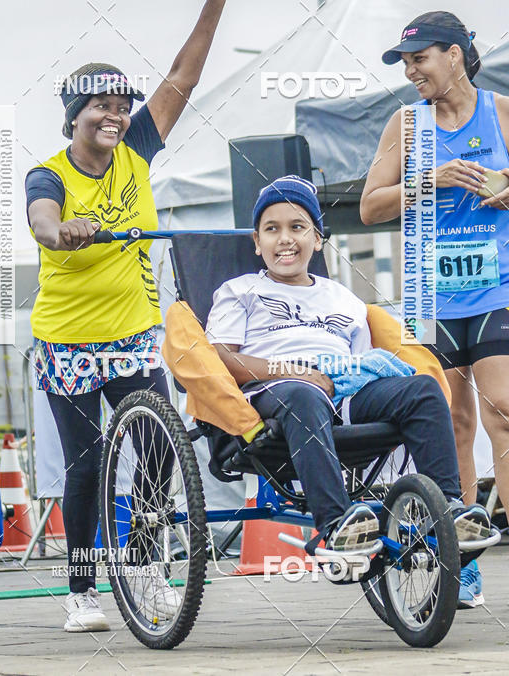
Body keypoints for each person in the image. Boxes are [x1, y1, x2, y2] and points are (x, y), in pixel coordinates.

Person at [26, 0, 228, 632]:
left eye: (120, 106)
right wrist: (64, 232)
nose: (113, 116)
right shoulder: (50, 173)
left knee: (157, 448)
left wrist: (215, 1)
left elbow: (182, 79)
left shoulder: (137, 149)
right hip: (69, 340)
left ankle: (143, 569)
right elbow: (42, 223)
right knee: (86, 465)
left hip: (134, 332)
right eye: (100, 107)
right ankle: (81, 591)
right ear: (73, 116)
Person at [205, 175, 492, 554]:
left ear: (317, 239)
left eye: (297, 227)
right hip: (272, 393)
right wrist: (294, 371)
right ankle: (336, 522)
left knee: (422, 390)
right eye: (272, 229)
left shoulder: (343, 297)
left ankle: (448, 508)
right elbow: (222, 358)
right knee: (304, 394)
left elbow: (358, 364)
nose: (285, 239)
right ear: (257, 242)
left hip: (340, 391)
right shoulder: (239, 290)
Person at [360, 10, 509, 607]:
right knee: (453, 424)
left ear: (455, 54)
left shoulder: (500, 111)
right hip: (429, 295)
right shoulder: (407, 124)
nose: (411, 72)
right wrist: (434, 178)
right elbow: (370, 206)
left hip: (496, 288)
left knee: (503, 414)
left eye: (419, 59)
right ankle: (462, 558)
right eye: (405, 63)